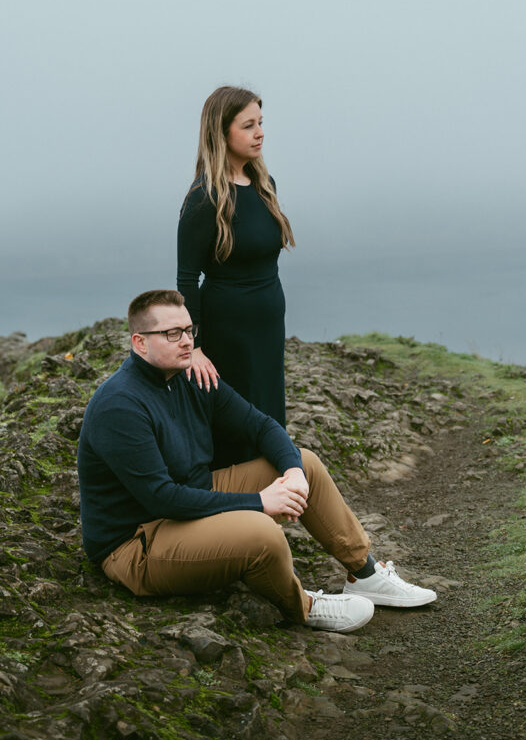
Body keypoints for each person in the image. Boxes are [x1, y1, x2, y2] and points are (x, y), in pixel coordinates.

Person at [77, 290, 437, 635]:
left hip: (191, 498)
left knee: (304, 462)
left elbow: (260, 425)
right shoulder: (120, 405)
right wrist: (261, 502)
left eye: (189, 330)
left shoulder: (188, 375)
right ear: (140, 342)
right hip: (138, 541)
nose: (186, 341)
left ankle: (365, 573)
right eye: (172, 333)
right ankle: (305, 607)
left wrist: (293, 474)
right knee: (262, 533)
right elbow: (161, 498)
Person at [177, 85, 294, 468]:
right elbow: (186, 278)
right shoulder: (204, 197)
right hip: (227, 332)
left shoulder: (265, 185)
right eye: (248, 125)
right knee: (236, 420)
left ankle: (273, 500)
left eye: (261, 123)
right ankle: (237, 509)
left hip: (268, 327)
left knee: (269, 412)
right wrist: (193, 346)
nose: (260, 132)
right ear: (221, 133)